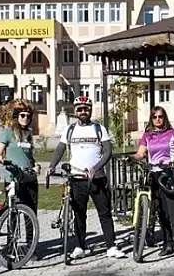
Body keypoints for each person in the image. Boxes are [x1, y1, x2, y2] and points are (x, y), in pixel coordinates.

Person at [48, 95, 120, 259]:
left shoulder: (99, 129)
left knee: (105, 213)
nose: (83, 111)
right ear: (75, 111)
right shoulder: (70, 130)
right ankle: (80, 246)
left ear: (90, 110)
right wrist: (51, 166)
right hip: (77, 178)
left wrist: (96, 168)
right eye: (79, 109)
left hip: (97, 178)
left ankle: (111, 246)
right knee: (79, 213)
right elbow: (60, 149)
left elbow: (108, 152)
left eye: (86, 108)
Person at [133, 106, 174, 257]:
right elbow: (140, 153)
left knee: (173, 212)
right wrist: (133, 158)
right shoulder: (148, 135)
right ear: (151, 119)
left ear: (165, 117)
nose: (158, 119)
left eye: (160, 116)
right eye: (154, 117)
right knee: (161, 212)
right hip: (154, 175)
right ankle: (167, 243)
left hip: (168, 175)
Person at [0, 99, 41, 215]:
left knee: (31, 211)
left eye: (28, 116)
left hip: (29, 177)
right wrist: (1, 159)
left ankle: (32, 234)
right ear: (17, 116)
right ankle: (12, 233)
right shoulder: (8, 132)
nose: (25, 118)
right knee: (12, 211)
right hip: (13, 177)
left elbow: (29, 156)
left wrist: (36, 166)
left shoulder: (29, 133)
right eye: (23, 115)